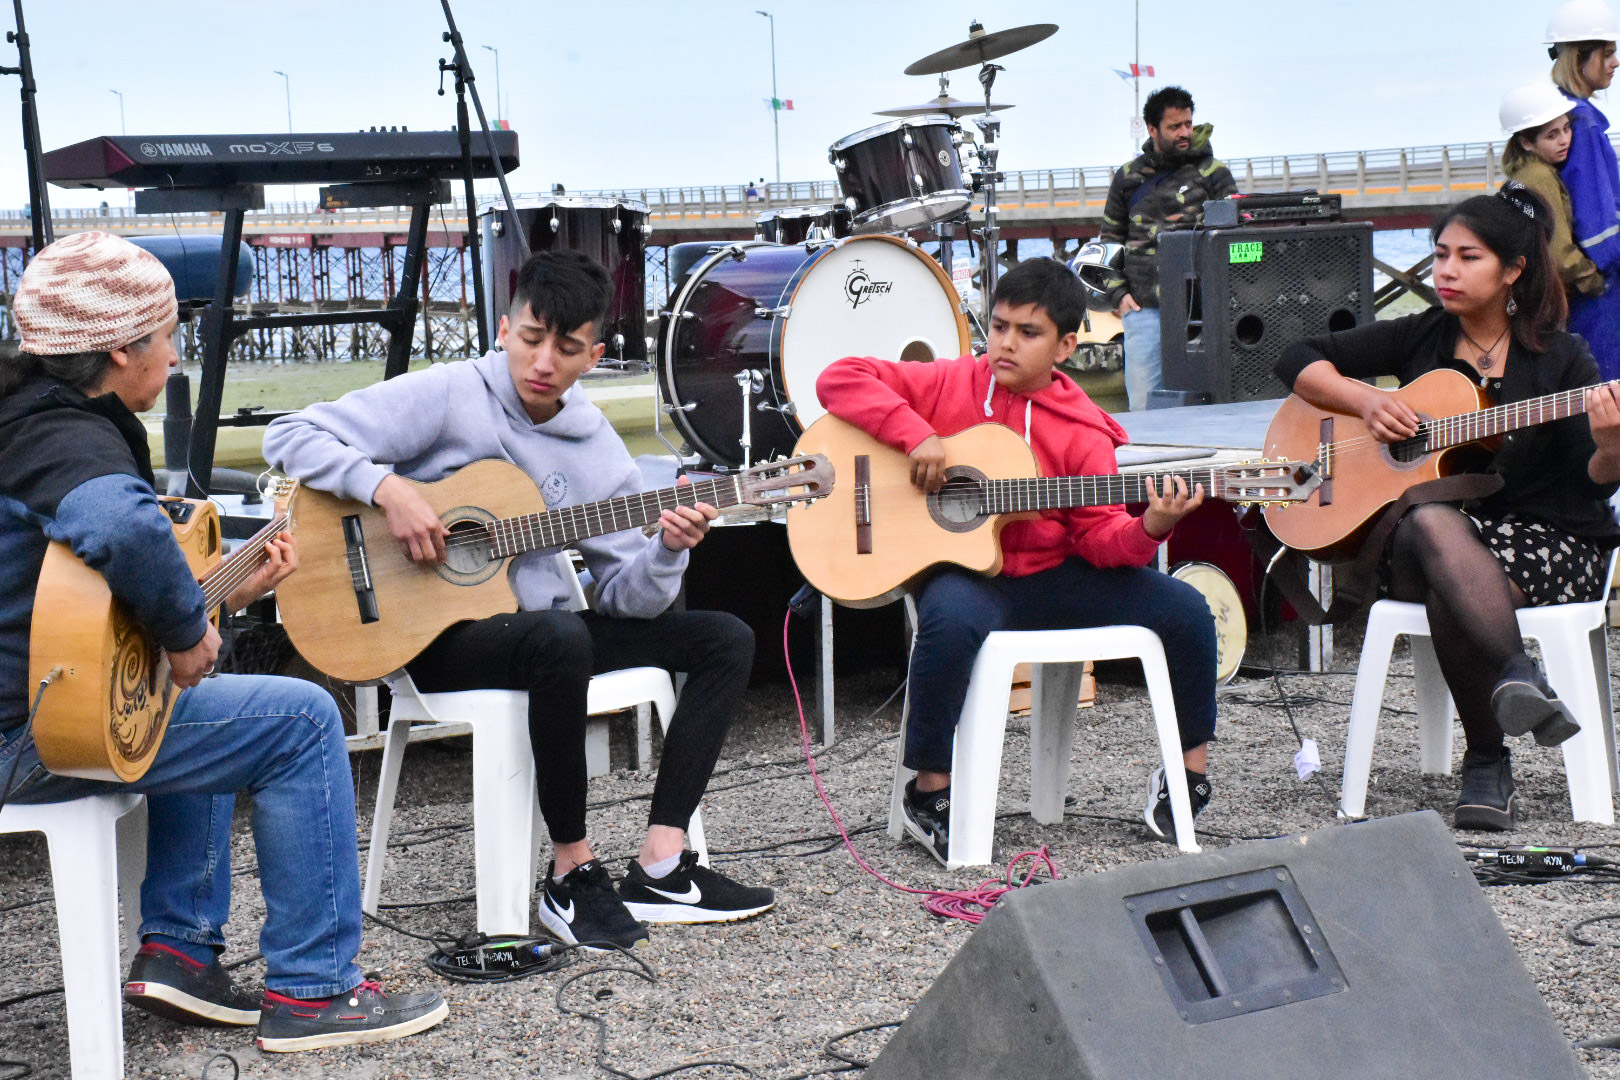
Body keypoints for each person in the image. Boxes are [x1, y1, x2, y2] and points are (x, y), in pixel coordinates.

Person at [0, 232, 446, 1052]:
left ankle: (179, 950)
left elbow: (67, 604)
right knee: (303, 717)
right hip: (26, 739)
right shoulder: (58, 437)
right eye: (168, 337)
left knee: (204, 688)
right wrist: (180, 627)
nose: (176, 356)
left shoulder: (25, 412)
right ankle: (317, 990)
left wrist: (217, 600)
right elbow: (116, 528)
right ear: (118, 349)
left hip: (37, 704)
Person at [264, 249, 774, 950]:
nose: (542, 362)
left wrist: (666, 551)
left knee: (723, 638)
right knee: (555, 636)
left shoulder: (597, 450)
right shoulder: (449, 394)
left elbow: (628, 601)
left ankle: (660, 862)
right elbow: (289, 433)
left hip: (533, 640)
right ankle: (570, 870)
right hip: (428, 637)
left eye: (565, 349)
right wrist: (392, 491)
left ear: (592, 354)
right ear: (504, 328)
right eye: (530, 339)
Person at [815, 257, 1219, 858]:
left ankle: (1186, 779)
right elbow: (838, 378)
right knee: (947, 623)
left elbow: (1100, 540)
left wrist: (1151, 527)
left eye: (1027, 333)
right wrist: (915, 434)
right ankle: (929, 793)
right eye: (999, 326)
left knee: (1188, 610)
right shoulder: (950, 382)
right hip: (967, 574)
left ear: (1066, 345)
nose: (1005, 344)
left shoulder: (1084, 433)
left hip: (1054, 576)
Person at [1273, 188, 1620, 831]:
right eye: (1439, 255)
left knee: (1447, 577)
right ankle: (1516, 672)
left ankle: (1488, 759)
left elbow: (1593, 484)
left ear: (1514, 270)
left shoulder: (1563, 358)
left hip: (1549, 539)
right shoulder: (1422, 337)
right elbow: (1294, 358)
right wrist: (1364, 402)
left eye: (1468, 257)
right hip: (1419, 538)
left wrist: (1609, 445)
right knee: (1431, 522)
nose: (1447, 271)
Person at [1097, 85, 1238, 412]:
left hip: (1204, 311)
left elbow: (1235, 238)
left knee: (1212, 404)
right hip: (1144, 310)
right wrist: (1118, 296)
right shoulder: (1128, 177)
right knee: (1146, 408)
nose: (1185, 132)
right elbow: (1109, 241)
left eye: (1188, 124)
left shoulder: (1213, 173)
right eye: (1175, 127)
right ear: (1153, 129)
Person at [1546, 0, 1620, 379]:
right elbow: (1598, 225)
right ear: (1579, 58)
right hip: (1601, 288)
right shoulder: (1583, 125)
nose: (1615, 62)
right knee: (1607, 389)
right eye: (1607, 53)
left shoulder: (1556, 118)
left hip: (1574, 282)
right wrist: (1604, 269)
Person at [1500, 80, 1605, 303]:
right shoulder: (1539, 176)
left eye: (1566, 128)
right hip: (1542, 296)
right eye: (1552, 135)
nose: (1564, 140)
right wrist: (1594, 281)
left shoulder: (1522, 174)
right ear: (1527, 142)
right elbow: (1558, 251)